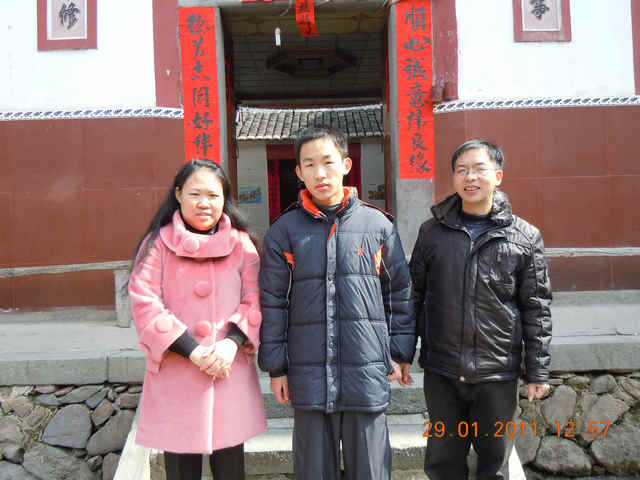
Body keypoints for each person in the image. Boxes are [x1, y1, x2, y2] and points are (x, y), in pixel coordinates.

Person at [258, 125, 416, 480]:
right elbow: (272, 303)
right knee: (313, 471)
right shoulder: (284, 231)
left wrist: (398, 351)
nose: (320, 173)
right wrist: (277, 367)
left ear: (346, 165)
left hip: (366, 370)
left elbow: (400, 293)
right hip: (308, 373)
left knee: (371, 471)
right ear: (298, 172)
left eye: (328, 162)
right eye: (309, 164)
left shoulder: (377, 226)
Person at [409, 139, 552, 480]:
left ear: (498, 175)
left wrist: (538, 370)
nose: (470, 177)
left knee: (495, 464)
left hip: (497, 373)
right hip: (442, 371)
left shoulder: (524, 237)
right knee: (443, 463)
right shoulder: (432, 233)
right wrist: (402, 353)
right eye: (462, 170)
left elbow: (536, 308)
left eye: (479, 169)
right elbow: (414, 296)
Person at [128, 158, 266, 480]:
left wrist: (231, 345)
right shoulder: (158, 244)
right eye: (195, 194)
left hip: (227, 368)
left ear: (225, 199)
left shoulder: (241, 244)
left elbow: (256, 298)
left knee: (231, 467)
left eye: (214, 195)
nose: (205, 203)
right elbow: (145, 303)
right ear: (178, 194)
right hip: (178, 369)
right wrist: (193, 351)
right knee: (181, 470)